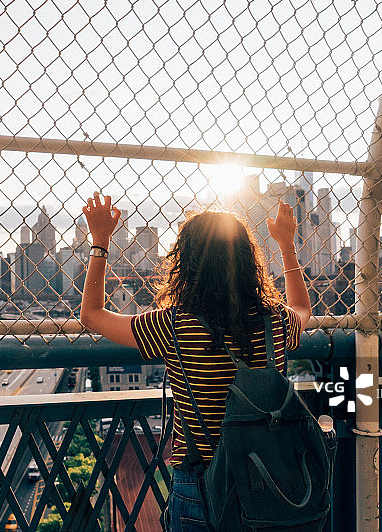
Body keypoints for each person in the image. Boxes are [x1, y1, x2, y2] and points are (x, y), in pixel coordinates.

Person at [79, 192, 311, 531]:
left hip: (201, 484)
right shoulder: (275, 320)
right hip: (269, 480)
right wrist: (287, 245)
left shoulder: (173, 325)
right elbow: (303, 308)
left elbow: (91, 315)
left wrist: (100, 241)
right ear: (248, 261)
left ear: (184, 263)